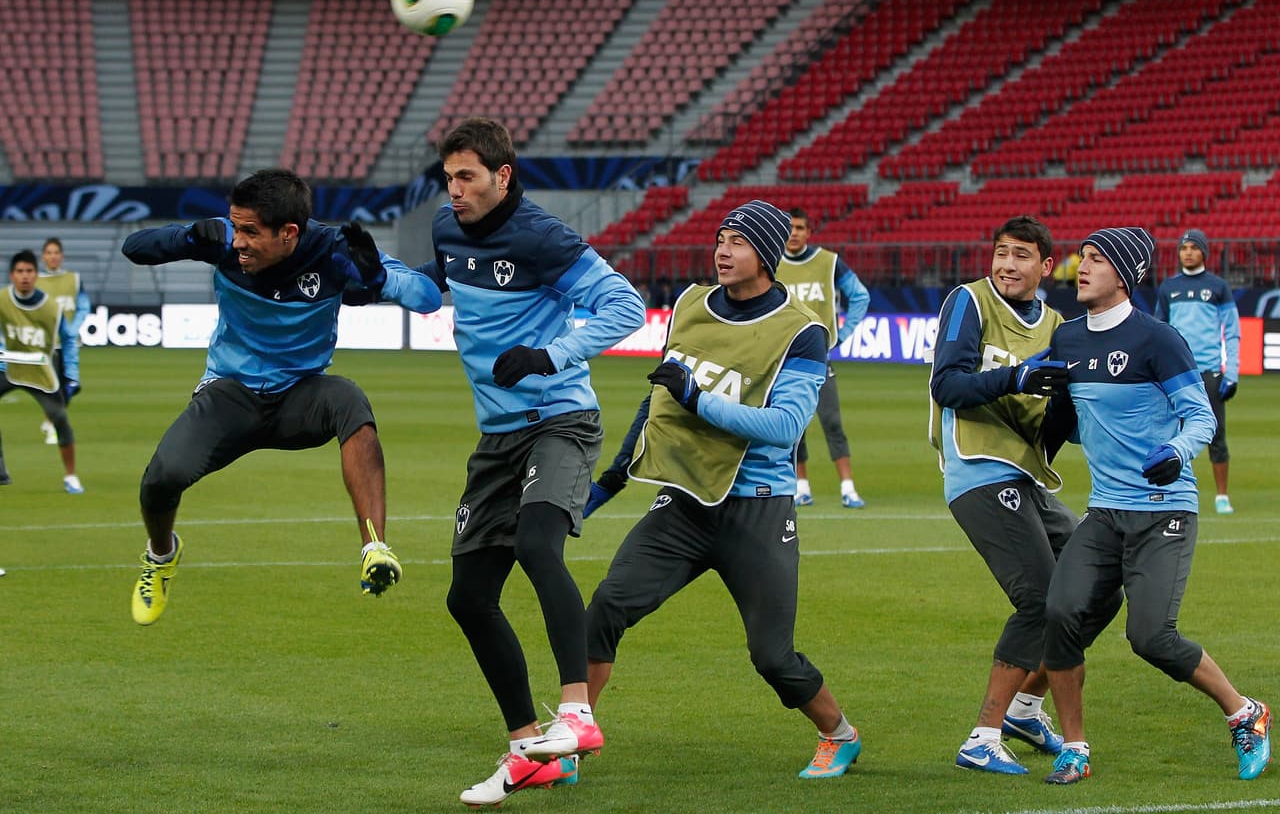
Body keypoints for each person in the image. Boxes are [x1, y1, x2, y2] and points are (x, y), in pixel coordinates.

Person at [584, 200, 863, 782]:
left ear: (763, 254)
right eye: (719, 240)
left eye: (736, 242)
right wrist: (606, 484)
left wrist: (699, 399)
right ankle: (570, 740)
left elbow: (786, 427)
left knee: (772, 656)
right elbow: (660, 396)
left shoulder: (802, 331)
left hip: (757, 507)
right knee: (606, 609)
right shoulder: (689, 304)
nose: (722, 251)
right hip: (683, 503)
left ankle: (839, 734)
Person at [415, 118, 646, 807]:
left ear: (503, 176)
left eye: (468, 178)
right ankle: (527, 746)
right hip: (497, 439)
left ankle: (576, 709)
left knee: (539, 544)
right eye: (448, 178)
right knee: (467, 596)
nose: (454, 191)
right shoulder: (446, 228)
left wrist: (552, 355)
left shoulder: (543, 236)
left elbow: (624, 304)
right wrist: (381, 277)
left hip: (559, 420)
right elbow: (439, 286)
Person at [120, 168, 441, 626]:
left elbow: (427, 297)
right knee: (160, 479)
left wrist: (379, 279)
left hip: (300, 397)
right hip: (230, 393)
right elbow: (135, 249)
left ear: (290, 233)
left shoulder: (333, 254)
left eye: (252, 232)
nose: (239, 242)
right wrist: (187, 236)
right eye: (237, 227)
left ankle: (375, 548)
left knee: (349, 400)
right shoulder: (221, 240)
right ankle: (160, 555)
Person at [1040, 226, 1270, 785]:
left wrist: (1175, 449)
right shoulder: (1068, 339)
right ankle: (1074, 747)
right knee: (1059, 615)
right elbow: (1068, 421)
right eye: (1082, 258)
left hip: (1165, 508)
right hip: (1105, 509)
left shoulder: (1158, 340)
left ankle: (1246, 713)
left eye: (1094, 259)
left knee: (1151, 638)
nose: (1081, 267)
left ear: (1123, 274)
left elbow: (1201, 418)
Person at [929, 215, 1118, 775]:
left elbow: (1060, 418)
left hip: (1028, 478)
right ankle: (982, 736)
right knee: (1038, 600)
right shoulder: (970, 302)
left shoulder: (1058, 324)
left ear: (1045, 265)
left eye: (1020, 256)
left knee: (1102, 584)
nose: (1006, 265)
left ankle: (1026, 707)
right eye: (1000, 253)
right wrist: (1014, 378)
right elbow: (947, 384)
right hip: (979, 471)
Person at [776, 207, 870, 508]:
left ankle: (848, 488)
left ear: (809, 232)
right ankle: (801, 486)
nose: (794, 233)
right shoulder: (771, 263)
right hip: (781, 358)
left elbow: (859, 295)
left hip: (818, 356)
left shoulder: (829, 262)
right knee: (794, 425)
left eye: (800, 228)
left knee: (831, 421)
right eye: (789, 227)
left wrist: (843, 333)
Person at [1154, 228, 1241, 515]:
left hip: (1208, 372)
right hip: (1176, 374)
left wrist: (1232, 373)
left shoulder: (1218, 287)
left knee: (1216, 435)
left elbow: (1232, 330)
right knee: (1171, 433)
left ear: (1204, 252)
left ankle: (1222, 496)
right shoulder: (1168, 288)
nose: (1187, 252)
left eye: (1193, 247)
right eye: (1183, 248)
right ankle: (1175, 489)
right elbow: (1158, 331)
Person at [0, 249, 83, 492]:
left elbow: (68, 341)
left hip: (39, 369)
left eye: (29, 271)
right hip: (8, 366)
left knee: (60, 419)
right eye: (19, 271)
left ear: (36, 275)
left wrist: (72, 375)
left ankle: (70, 476)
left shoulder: (51, 309)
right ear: (12, 275)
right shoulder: (2, 300)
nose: (24, 276)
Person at [38, 237, 92, 445]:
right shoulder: (36, 282)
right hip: (46, 345)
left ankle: (49, 419)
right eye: (49, 252)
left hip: (68, 346)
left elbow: (83, 306)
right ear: (43, 257)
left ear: (61, 256)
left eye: (56, 252)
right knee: (53, 388)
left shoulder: (74, 280)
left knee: (71, 386)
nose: (52, 256)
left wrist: (72, 329)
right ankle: (53, 426)